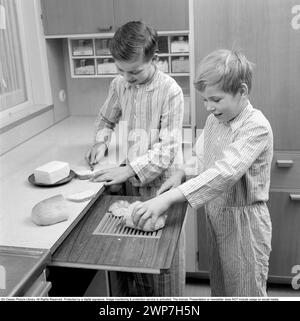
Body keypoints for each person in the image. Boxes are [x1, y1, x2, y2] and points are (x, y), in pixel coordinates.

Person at [132, 49, 274, 297]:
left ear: (242, 91)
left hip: (245, 224)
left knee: (245, 289)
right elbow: (202, 156)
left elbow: (224, 172)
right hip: (217, 216)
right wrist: (181, 174)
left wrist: (169, 197)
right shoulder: (214, 121)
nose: (209, 107)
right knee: (221, 286)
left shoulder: (256, 127)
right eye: (205, 100)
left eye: (216, 100)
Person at [86, 21, 185, 296]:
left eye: (134, 71)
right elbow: (107, 117)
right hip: (133, 183)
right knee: (136, 259)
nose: (127, 77)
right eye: (120, 69)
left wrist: (128, 170)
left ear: (153, 59)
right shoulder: (120, 84)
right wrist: (100, 141)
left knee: (163, 268)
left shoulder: (171, 91)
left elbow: (167, 150)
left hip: (162, 187)